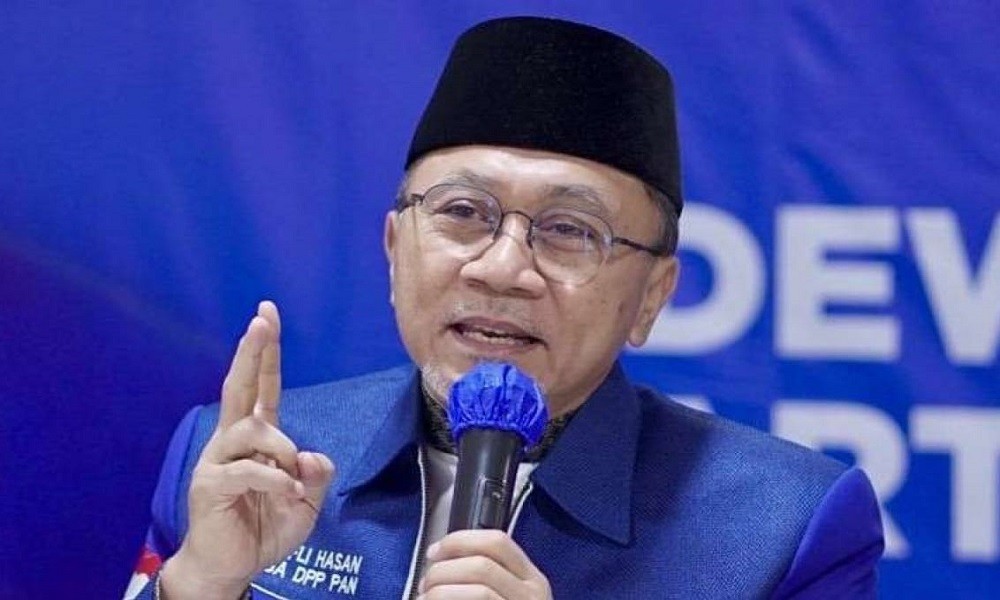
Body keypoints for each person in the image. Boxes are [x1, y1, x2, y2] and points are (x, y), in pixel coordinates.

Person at [125, 16, 884, 600]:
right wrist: (198, 585)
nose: (503, 268)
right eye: (463, 212)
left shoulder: (784, 527)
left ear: (652, 297)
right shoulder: (246, 462)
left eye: (570, 231)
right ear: (394, 249)